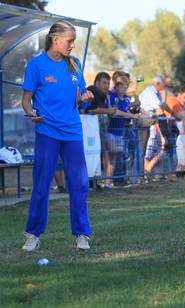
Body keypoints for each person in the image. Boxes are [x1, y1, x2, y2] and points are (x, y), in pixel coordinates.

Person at [21, 20, 94, 251]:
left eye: (73, 41)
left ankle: (82, 234)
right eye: (70, 41)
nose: (72, 45)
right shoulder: (36, 65)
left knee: (80, 184)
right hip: (47, 131)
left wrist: (84, 97)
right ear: (55, 39)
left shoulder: (75, 65)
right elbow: (26, 99)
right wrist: (29, 112)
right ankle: (33, 234)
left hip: (72, 131)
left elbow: (77, 97)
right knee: (42, 184)